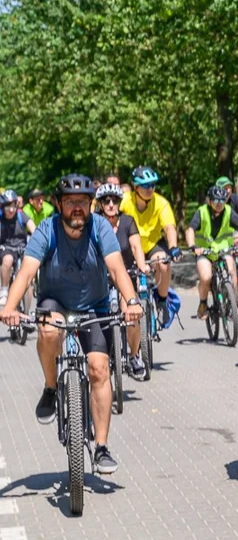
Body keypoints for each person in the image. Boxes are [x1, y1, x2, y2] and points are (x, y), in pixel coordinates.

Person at [0, 174, 142, 475]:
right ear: (58, 204)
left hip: (95, 306)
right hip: (56, 302)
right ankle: (51, 388)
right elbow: (25, 273)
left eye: (82, 202)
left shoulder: (100, 227)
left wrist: (131, 301)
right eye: (70, 202)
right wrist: (9, 307)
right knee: (48, 330)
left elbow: (116, 269)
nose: (77, 208)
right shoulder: (46, 229)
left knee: (99, 369)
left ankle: (101, 446)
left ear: (90, 204)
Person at [95, 183, 150, 380]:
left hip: (125, 277)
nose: (111, 204)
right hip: (100, 279)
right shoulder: (94, 223)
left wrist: (142, 266)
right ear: (100, 204)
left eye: (114, 200)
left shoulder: (127, 222)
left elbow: (136, 247)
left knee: (131, 313)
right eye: (106, 201)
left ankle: (134, 356)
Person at [121, 166, 182, 320]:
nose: (150, 189)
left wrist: (173, 247)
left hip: (152, 245)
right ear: (136, 187)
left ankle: (162, 300)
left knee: (164, 263)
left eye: (153, 185)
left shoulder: (161, 203)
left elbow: (169, 227)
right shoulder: (125, 200)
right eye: (146, 185)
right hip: (132, 247)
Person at [184, 185, 238, 319]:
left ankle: (233, 305)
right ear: (209, 201)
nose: (220, 204)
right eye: (216, 201)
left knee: (232, 271)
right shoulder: (202, 212)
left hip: (223, 250)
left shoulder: (228, 211)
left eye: (222, 200)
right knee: (206, 277)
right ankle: (203, 304)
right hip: (205, 252)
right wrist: (192, 245)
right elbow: (190, 229)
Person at [0, 189, 35, 305]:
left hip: (22, 248)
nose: (11, 210)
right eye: (7, 207)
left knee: (27, 274)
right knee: (7, 260)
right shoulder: (1, 218)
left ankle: (27, 308)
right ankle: (4, 290)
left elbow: (32, 227)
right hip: (6, 248)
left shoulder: (21, 215)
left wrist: (36, 238)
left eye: (13, 206)